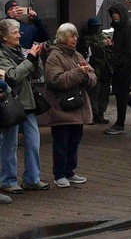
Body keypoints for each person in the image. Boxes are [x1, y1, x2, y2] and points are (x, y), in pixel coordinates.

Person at [37, 23, 97, 188]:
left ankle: (70, 171)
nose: (75, 39)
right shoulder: (54, 56)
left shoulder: (77, 55)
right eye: (72, 36)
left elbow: (92, 75)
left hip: (78, 105)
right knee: (61, 142)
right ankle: (59, 174)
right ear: (63, 38)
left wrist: (86, 76)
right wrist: (80, 73)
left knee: (74, 140)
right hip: (61, 108)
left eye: (76, 36)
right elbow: (55, 80)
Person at [0, 19, 48, 193]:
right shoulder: (1, 54)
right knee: (9, 144)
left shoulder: (20, 51)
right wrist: (29, 60)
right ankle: (8, 180)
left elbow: (36, 73)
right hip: (10, 104)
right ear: (4, 37)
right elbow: (12, 76)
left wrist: (36, 58)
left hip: (27, 103)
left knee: (33, 142)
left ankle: (32, 179)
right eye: (15, 33)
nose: (19, 35)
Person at [104, 3, 131, 136]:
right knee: (121, 92)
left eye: (116, 13)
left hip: (126, 65)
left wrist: (122, 62)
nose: (114, 16)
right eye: (112, 13)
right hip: (121, 64)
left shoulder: (129, 26)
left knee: (122, 92)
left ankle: (121, 123)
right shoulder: (120, 27)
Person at [82, 18, 113, 124]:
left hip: (105, 68)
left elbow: (111, 50)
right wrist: (101, 43)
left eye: (98, 26)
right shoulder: (87, 38)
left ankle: (100, 113)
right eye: (95, 26)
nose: (97, 28)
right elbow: (89, 47)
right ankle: (93, 114)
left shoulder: (104, 36)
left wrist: (109, 44)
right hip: (95, 69)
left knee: (104, 93)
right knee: (94, 93)